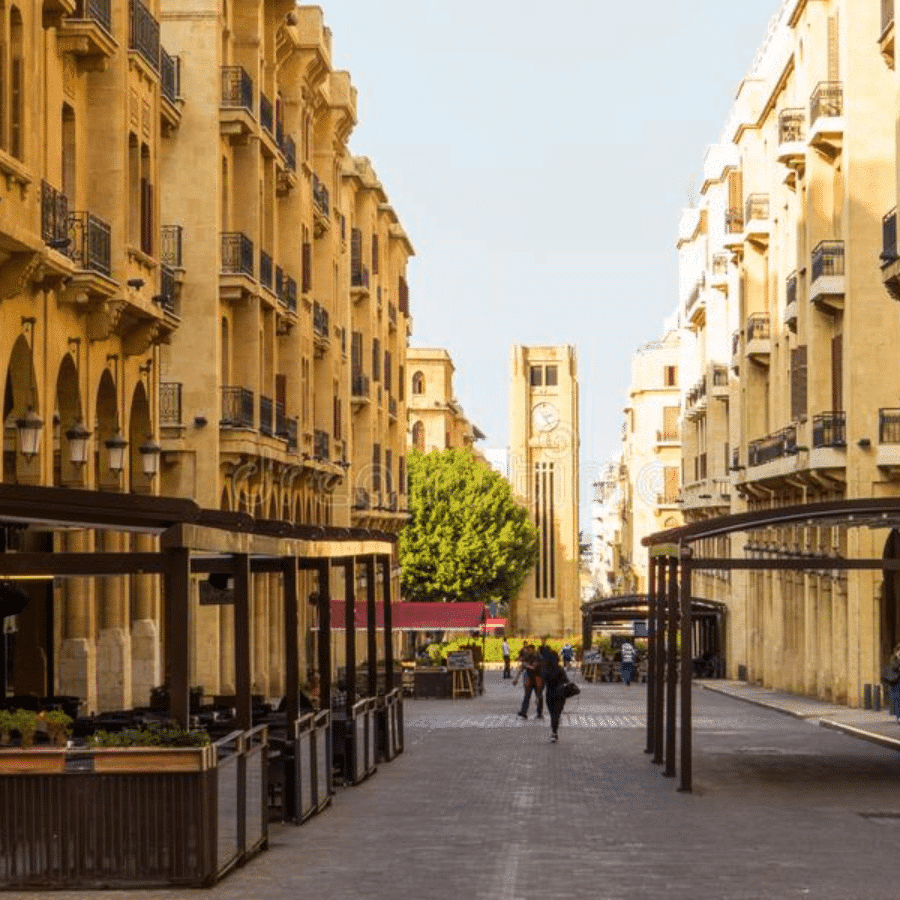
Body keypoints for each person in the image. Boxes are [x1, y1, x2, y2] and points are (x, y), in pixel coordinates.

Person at [542, 648, 569, 742]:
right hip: (560, 694)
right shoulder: (560, 669)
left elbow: (543, 683)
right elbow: (566, 681)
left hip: (549, 694)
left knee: (552, 714)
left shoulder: (545, 670)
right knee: (556, 715)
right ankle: (554, 732)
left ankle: (554, 732)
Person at [517, 644, 544, 719]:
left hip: (537, 679)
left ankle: (539, 713)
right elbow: (523, 666)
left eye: (529, 650)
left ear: (533, 649)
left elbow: (534, 667)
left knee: (538, 696)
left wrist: (527, 665)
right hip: (530, 679)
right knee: (527, 696)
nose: (528, 651)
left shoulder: (538, 657)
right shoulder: (528, 656)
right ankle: (523, 712)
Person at [883, 643, 900, 724]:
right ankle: (898, 716)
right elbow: (894, 667)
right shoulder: (894, 658)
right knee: (897, 699)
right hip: (896, 681)